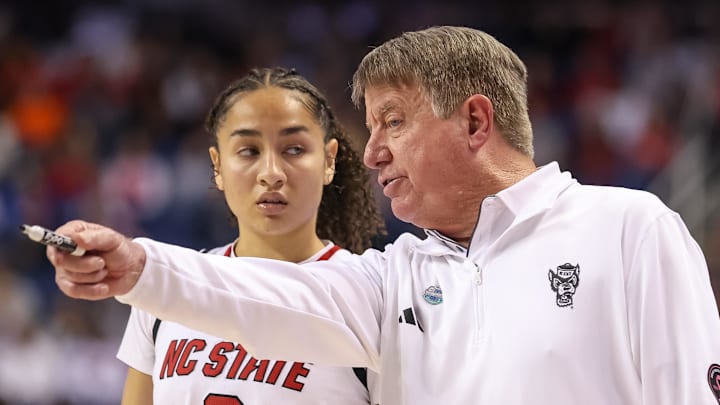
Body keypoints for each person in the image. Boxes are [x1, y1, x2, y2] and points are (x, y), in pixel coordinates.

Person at [47, 26, 720, 405]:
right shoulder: (394, 275)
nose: (371, 152)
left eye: (392, 122)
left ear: (476, 120)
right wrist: (138, 263)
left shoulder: (630, 228)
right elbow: (254, 290)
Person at [115, 67, 385, 404]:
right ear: (217, 167)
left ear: (329, 160)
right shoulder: (166, 285)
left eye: (294, 149)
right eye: (248, 151)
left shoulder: (371, 299)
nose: (271, 173)